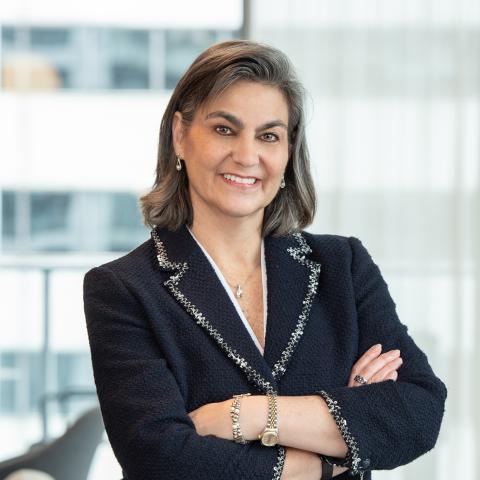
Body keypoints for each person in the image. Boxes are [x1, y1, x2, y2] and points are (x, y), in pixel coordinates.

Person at [83, 40, 447, 480]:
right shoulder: (124, 289)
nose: (247, 155)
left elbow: (418, 412)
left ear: (287, 151)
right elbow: (162, 458)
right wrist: (334, 453)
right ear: (180, 135)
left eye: (268, 136)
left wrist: (247, 415)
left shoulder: (342, 266)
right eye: (224, 129)